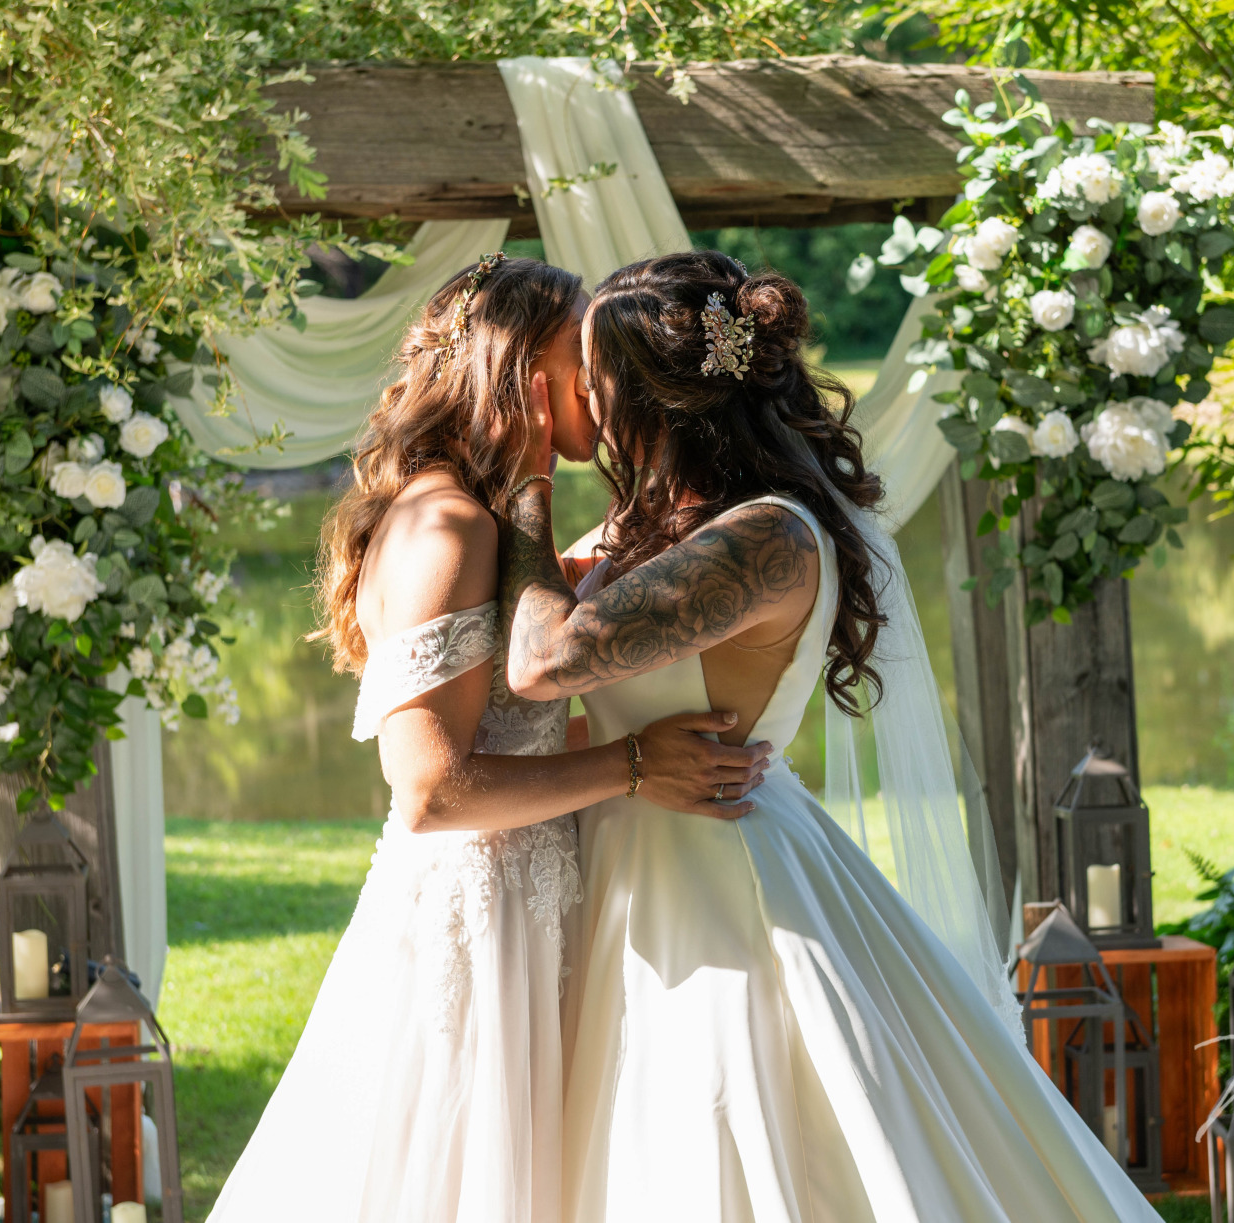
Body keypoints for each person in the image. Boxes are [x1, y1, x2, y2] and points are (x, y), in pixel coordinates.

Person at [498, 250, 1166, 1222]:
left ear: (652, 395)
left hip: (721, 878)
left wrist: (526, 477)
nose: (582, 400)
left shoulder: (767, 538)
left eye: (594, 375)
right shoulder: (637, 531)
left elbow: (544, 658)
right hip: (622, 866)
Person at [207, 254, 771, 1223]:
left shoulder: (481, 517)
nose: (600, 382)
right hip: (481, 922)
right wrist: (634, 764)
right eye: (579, 360)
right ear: (518, 373)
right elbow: (430, 790)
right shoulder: (449, 526)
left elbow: (523, 709)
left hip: (532, 901)